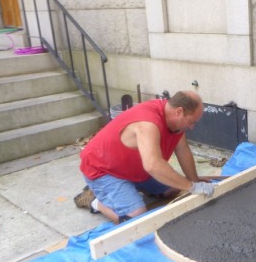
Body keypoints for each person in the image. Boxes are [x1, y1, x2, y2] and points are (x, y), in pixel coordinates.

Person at [74, 90, 215, 224]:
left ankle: (129, 189)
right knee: (137, 218)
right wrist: (191, 187)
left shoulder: (173, 119)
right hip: (103, 170)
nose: (192, 127)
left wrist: (194, 180)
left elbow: (183, 150)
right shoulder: (148, 123)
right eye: (191, 122)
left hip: (132, 167)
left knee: (173, 188)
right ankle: (95, 201)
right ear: (179, 112)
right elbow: (153, 165)